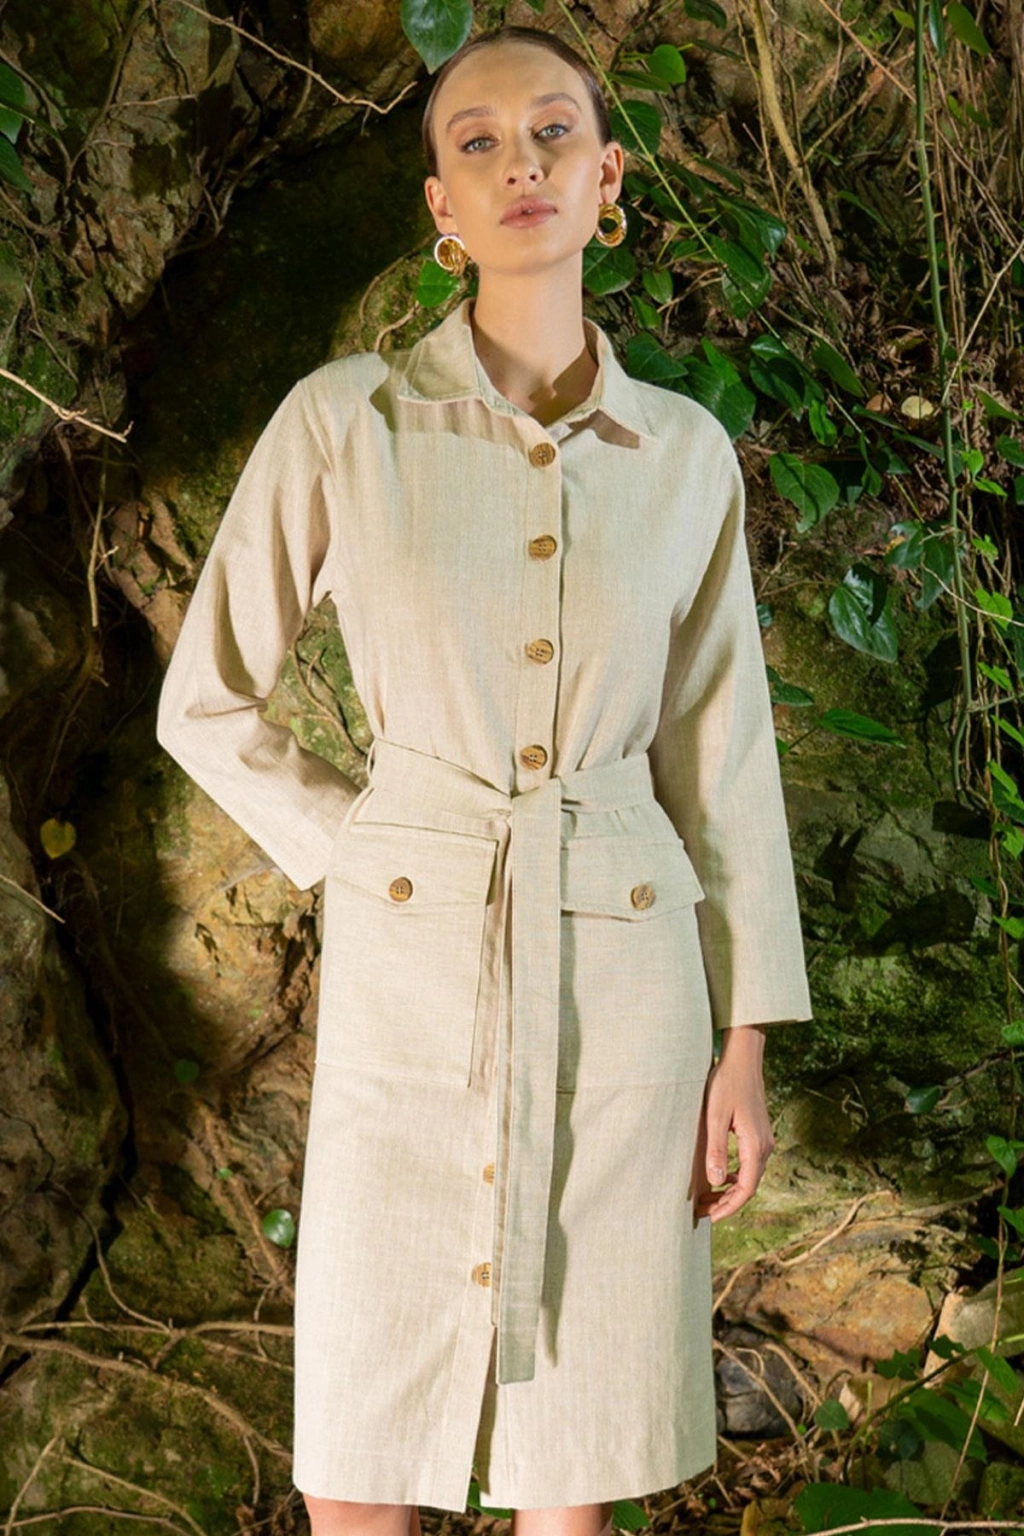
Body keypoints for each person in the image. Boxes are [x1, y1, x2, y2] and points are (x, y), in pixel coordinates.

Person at [155, 22, 813, 1536]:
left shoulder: (683, 454)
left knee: (576, 1443)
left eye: (555, 131)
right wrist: (368, 838)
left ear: (609, 178)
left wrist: (746, 1039)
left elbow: (723, 757)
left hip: (632, 969)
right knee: (363, 1422)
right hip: (411, 961)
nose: (523, 160)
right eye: (479, 140)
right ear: (440, 206)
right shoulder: (348, 421)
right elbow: (208, 699)